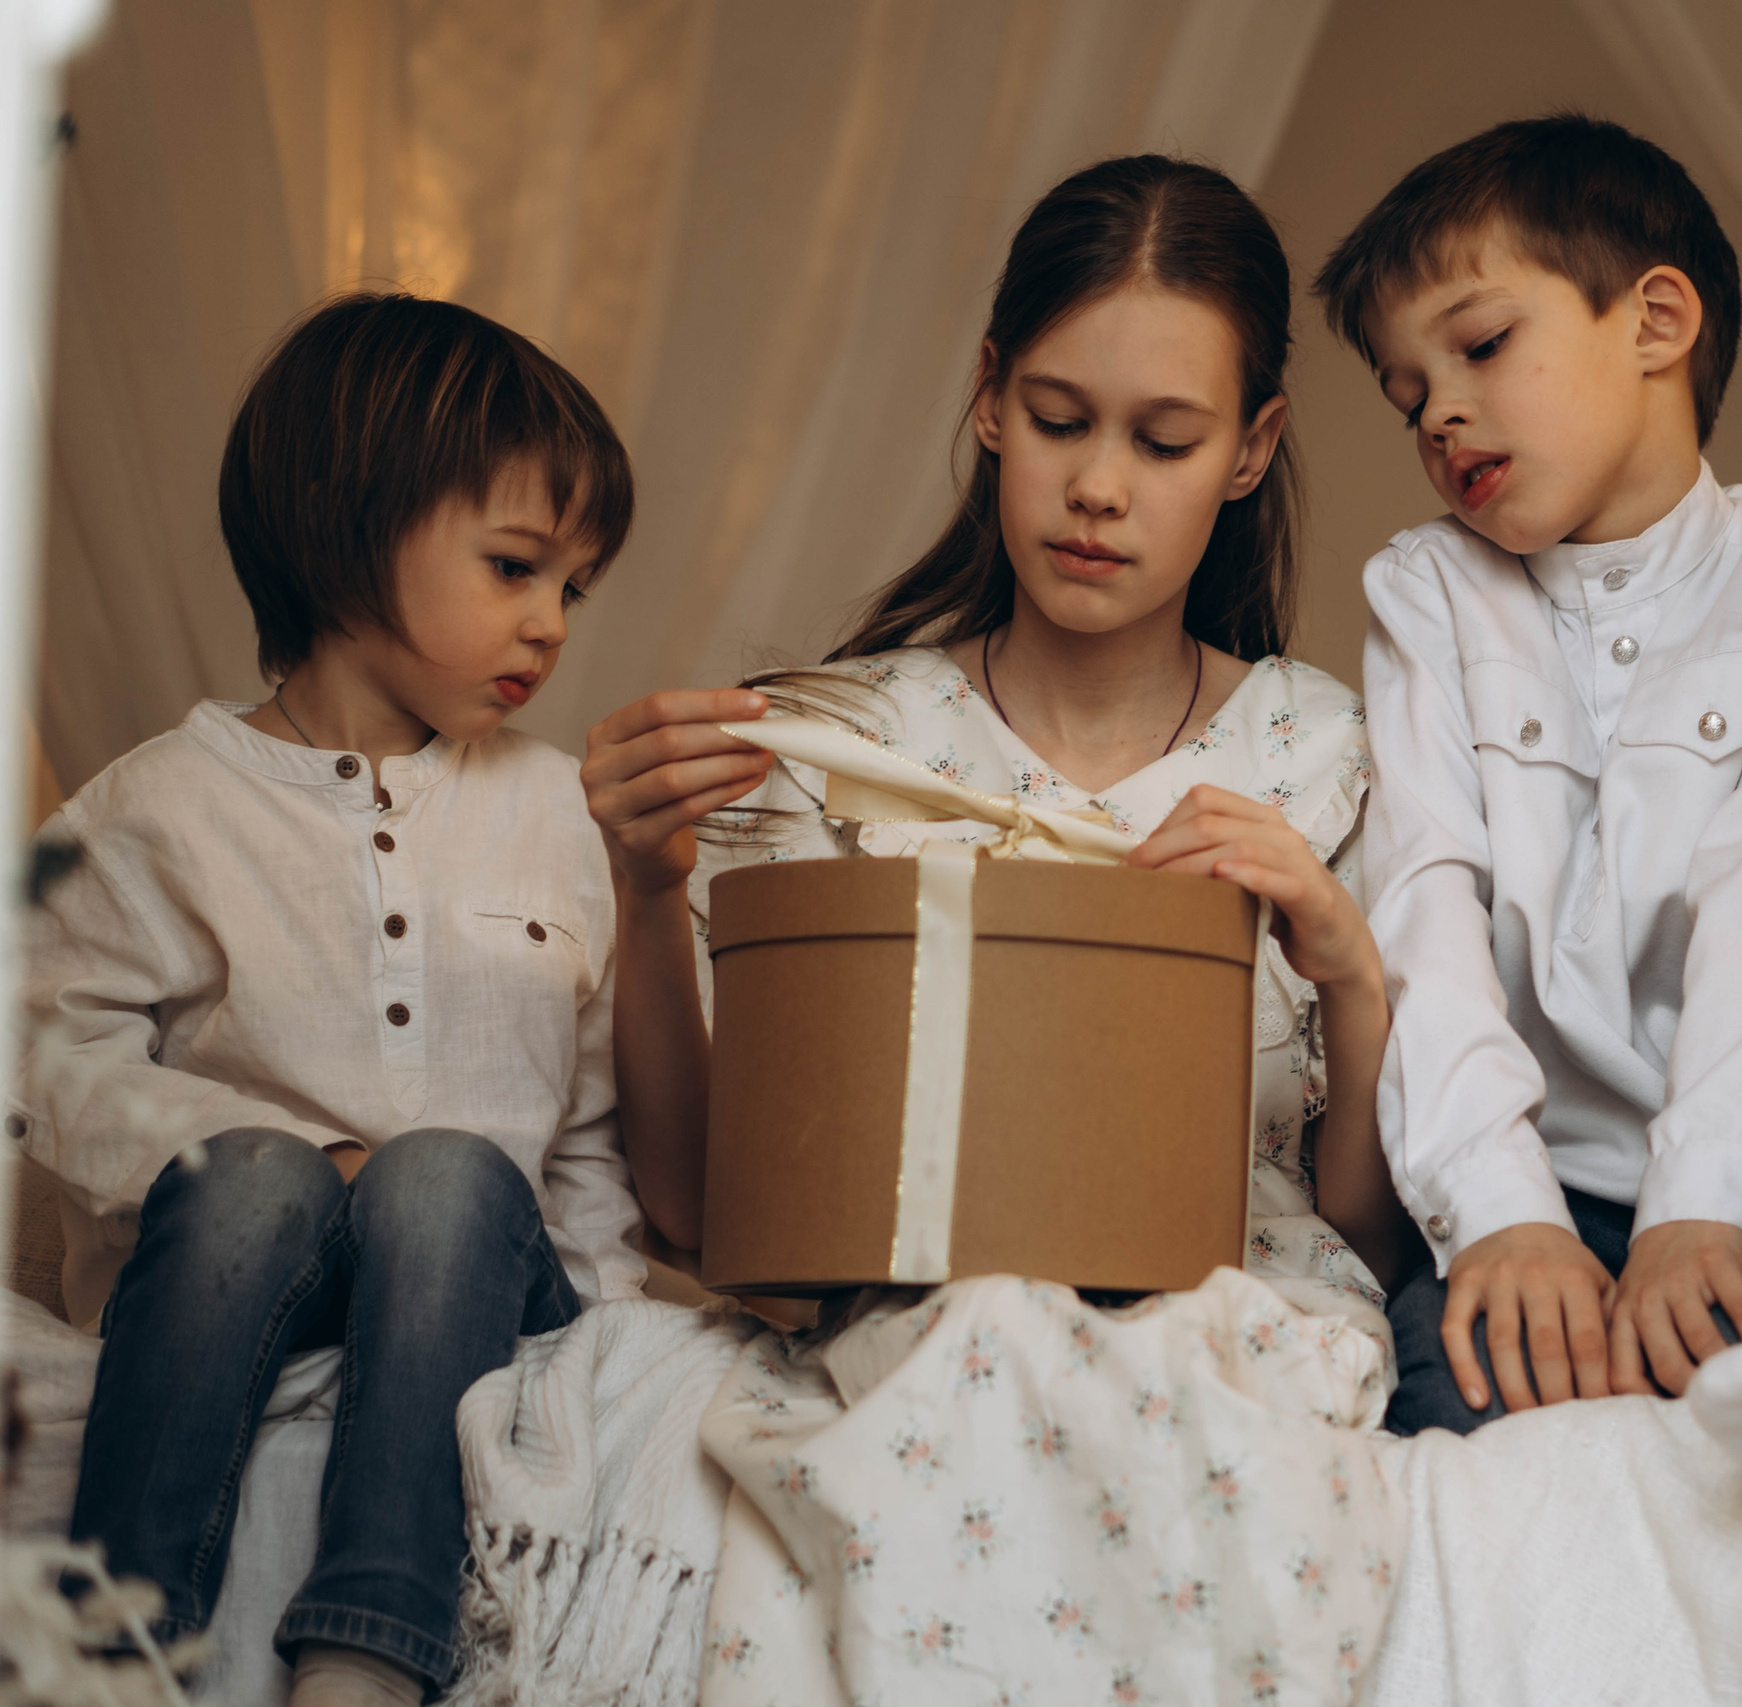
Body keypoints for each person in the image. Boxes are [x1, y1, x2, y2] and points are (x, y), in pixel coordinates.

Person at [583, 156, 1413, 1698]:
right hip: (906, 1318)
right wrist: (643, 893)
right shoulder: (841, 741)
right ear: (984, 400)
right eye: (1057, 419)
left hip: (1229, 1326)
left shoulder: (1326, 754)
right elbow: (700, 1215)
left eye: (1165, 440)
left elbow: (1369, 1230)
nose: (1099, 486)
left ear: (1252, 449)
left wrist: (1346, 966)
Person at [17, 294, 644, 1707]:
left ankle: (368, 1654)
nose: (548, 624)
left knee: (442, 1179)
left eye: (573, 588)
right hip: (248, 1271)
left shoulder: (557, 812)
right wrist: (304, 1156)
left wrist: (603, 1329)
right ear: (344, 521)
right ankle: (105, 1647)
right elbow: (51, 1056)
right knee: (252, 1177)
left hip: (479, 1272)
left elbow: (591, 1131)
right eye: (515, 566)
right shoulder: (159, 808)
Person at [1310, 114, 1742, 1430]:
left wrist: (1698, 1210)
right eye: (1407, 398)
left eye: (1482, 344)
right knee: (1459, 1419)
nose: (1440, 410)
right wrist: (1504, 1219)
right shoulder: (1428, 590)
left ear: (1655, 321)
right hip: (1516, 1175)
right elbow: (1424, 911)